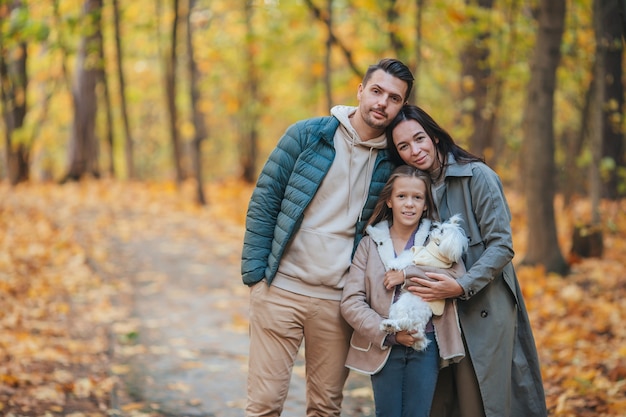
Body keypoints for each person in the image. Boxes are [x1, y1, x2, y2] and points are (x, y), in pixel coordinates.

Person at [241, 58, 414, 417]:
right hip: (281, 290)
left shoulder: (394, 161)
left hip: (338, 303)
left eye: (394, 98)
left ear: (401, 107)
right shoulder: (308, 135)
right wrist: (255, 274)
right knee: (264, 405)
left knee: (324, 408)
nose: (382, 102)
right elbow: (265, 199)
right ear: (361, 91)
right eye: (377, 91)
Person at [386, 104, 548, 417]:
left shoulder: (478, 176)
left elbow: (502, 245)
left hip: (481, 307)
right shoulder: (412, 188)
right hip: (434, 316)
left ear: (433, 136)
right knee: (437, 404)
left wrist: (461, 286)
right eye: (403, 146)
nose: (414, 150)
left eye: (419, 138)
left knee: (480, 403)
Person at [340, 165, 466, 417]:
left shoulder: (438, 239)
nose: (409, 204)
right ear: (389, 200)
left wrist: (407, 274)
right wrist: (389, 334)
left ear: (426, 204)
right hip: (385, 344)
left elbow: (458, 278)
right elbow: (351, 302)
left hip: (425, 343)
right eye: (401, 197)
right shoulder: (370, 243)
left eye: (417, 197)